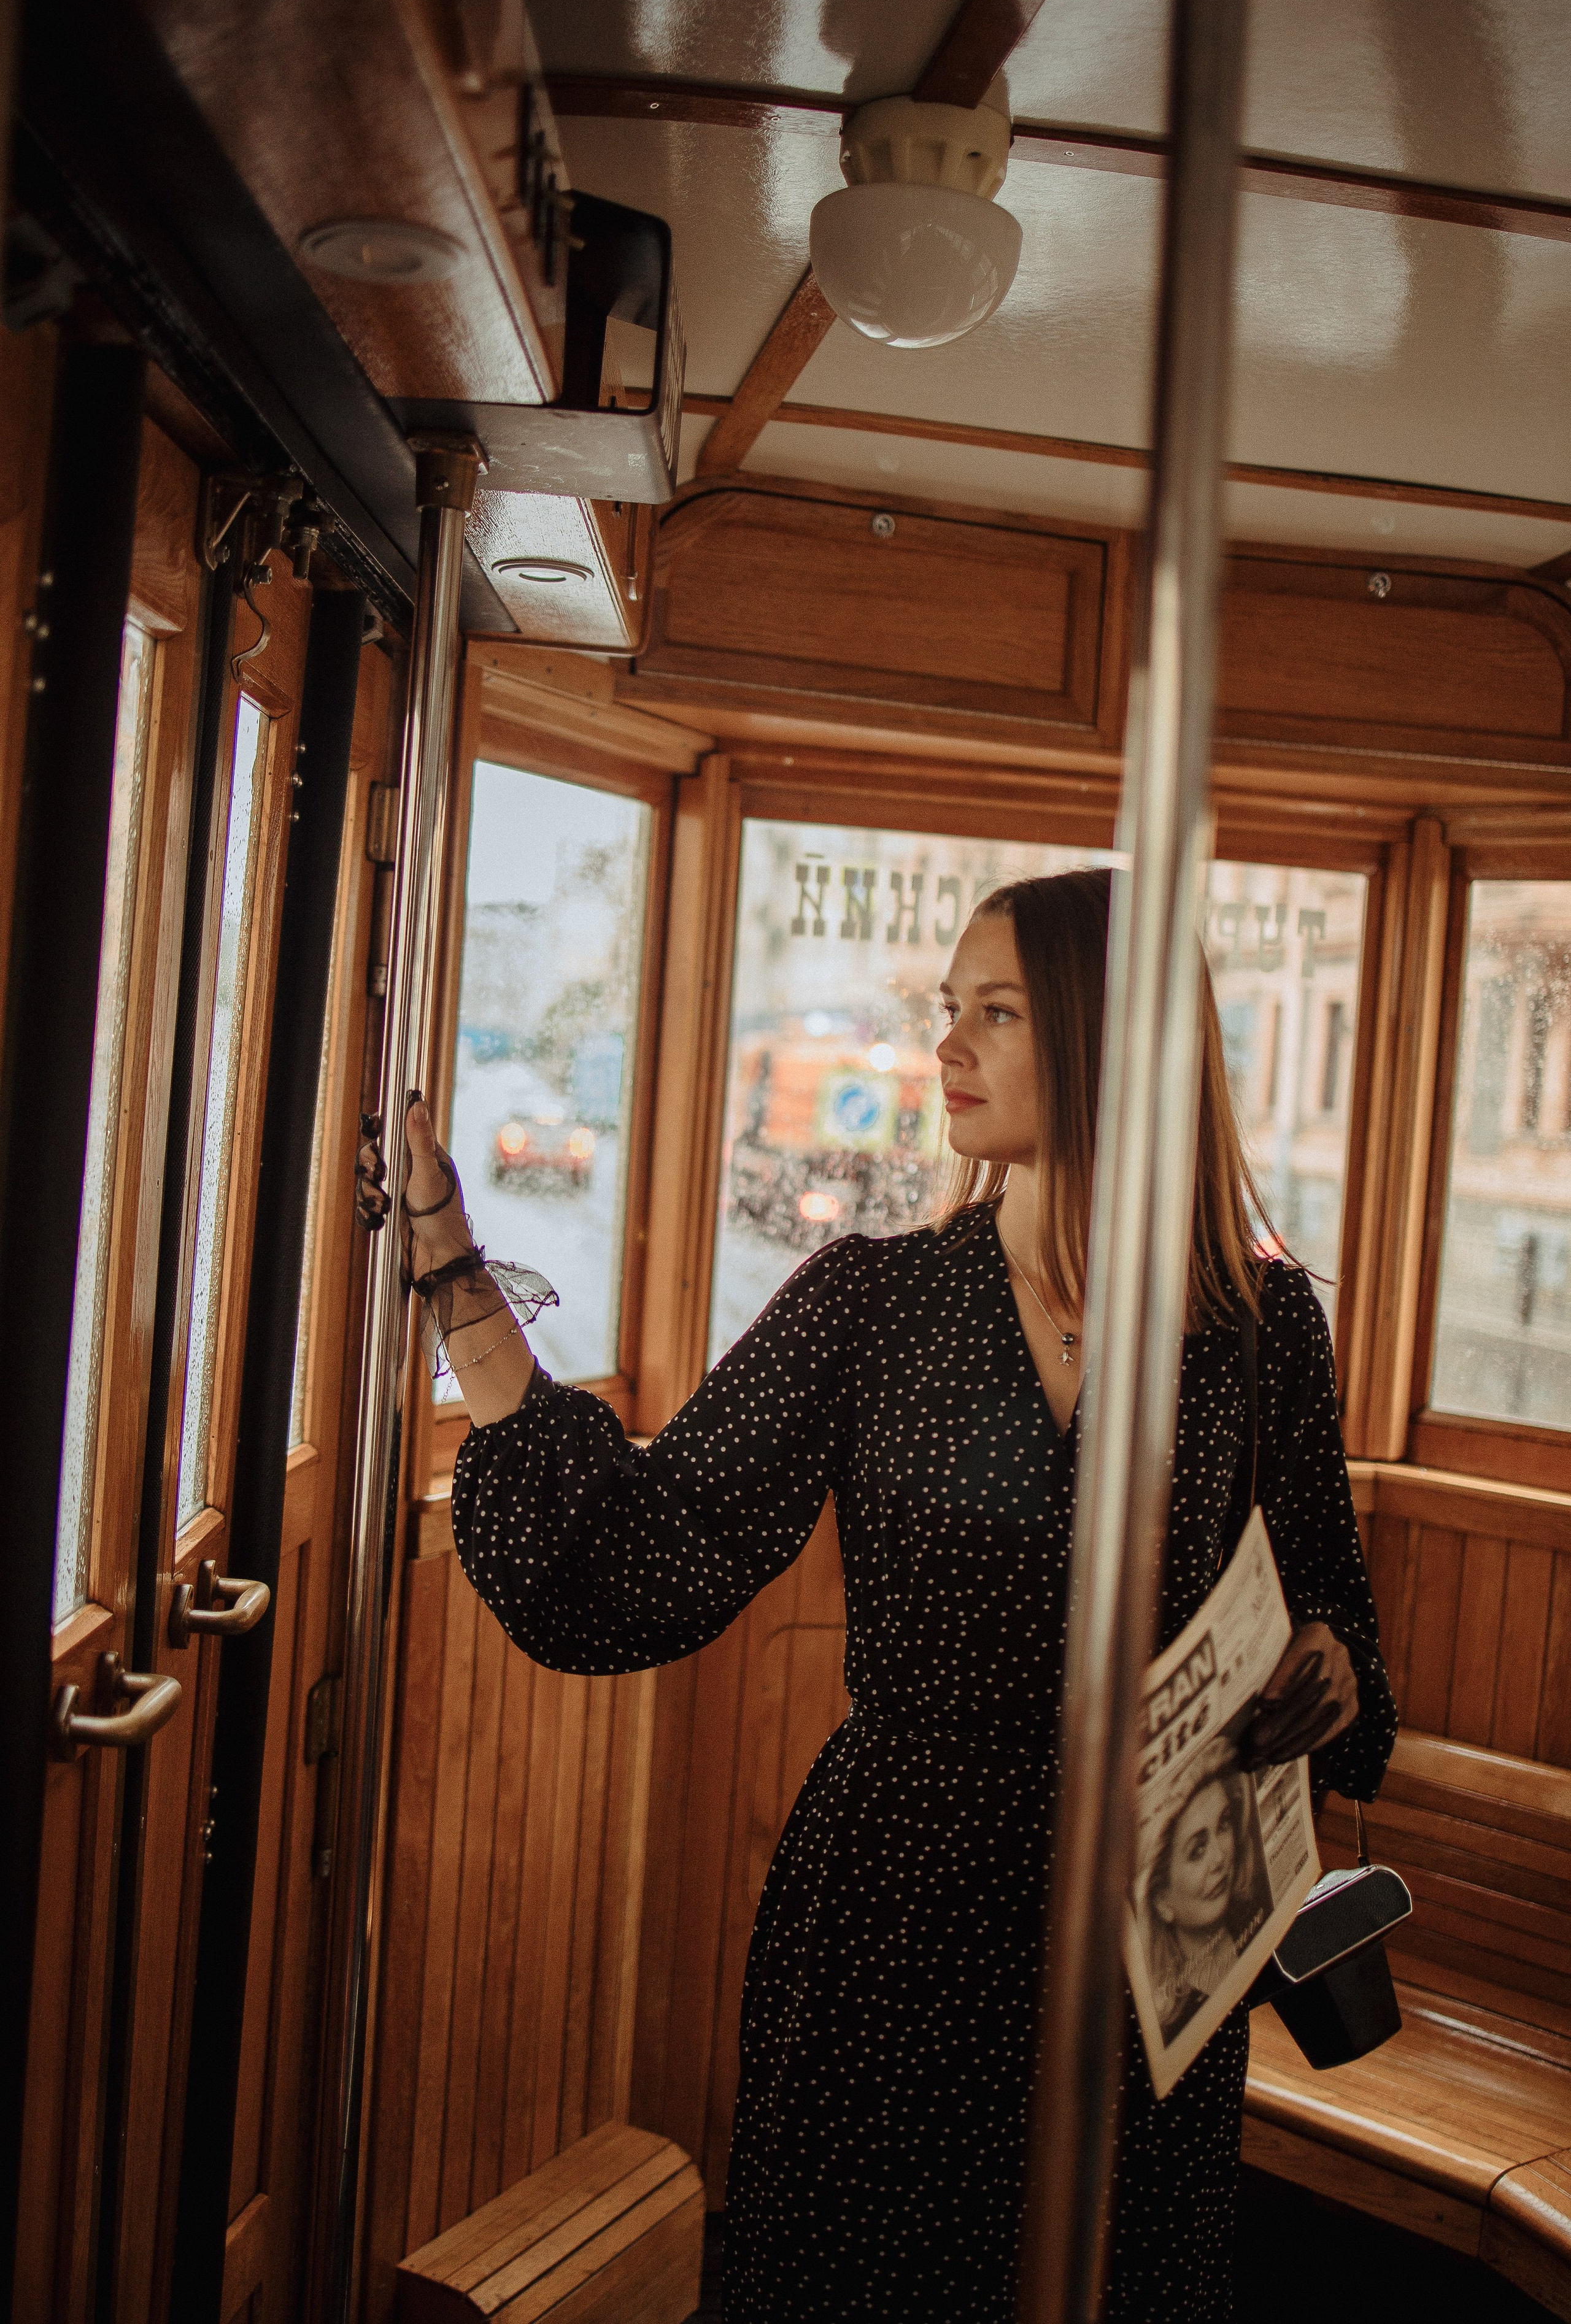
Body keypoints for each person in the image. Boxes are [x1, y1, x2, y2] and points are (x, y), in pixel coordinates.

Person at [364, 867, 1397, 2324]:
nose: (943, 1046)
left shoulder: (1257, 1322)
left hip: (1150, 1936)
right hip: (896, 1915)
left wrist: (1327, 1667)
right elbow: (640, 1555)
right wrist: (451, 1269)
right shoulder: (871, 1300)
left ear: (1109, 1038)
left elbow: (1330, 1605)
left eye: (995, 1012)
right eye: (945, 1008)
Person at [1140, 1741, 1272, 2045]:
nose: (1219, 1858)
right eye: (1197, 1850)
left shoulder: (1251, 1936)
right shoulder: (1165, 2019)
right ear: (1161, 1901)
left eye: (1223, 1824)